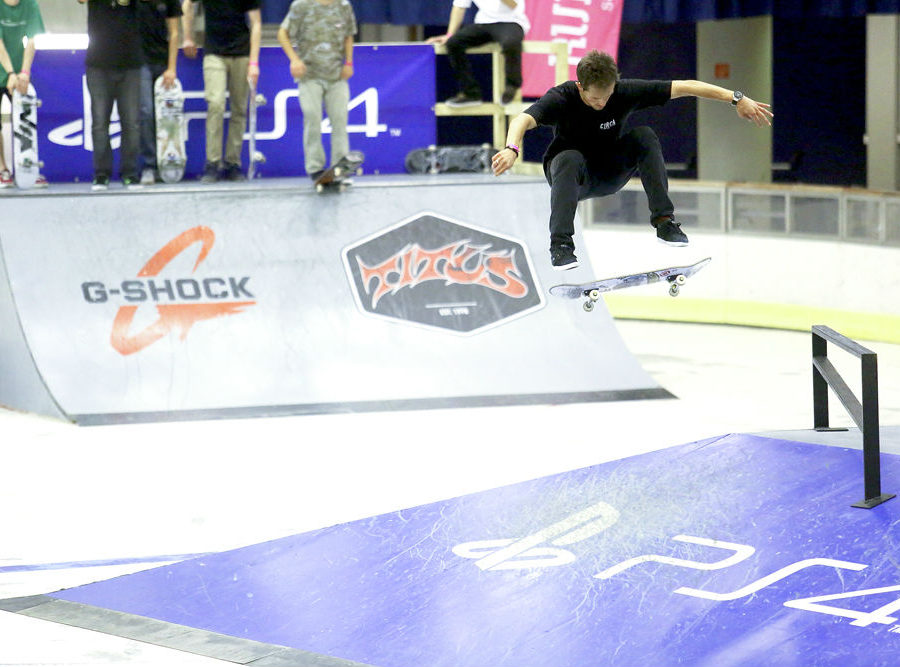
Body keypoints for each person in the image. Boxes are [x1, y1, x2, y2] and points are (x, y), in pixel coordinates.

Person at [491, 50, 774, 270]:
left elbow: (685, 86)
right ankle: (561, 246)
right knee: (569, 157)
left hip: (608, 172)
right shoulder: (562, 97)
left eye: (606, 97)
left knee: (644, 136)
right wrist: (511, 149)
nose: (602, 104)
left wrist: (737, 98)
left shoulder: (624, 91)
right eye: (595, 99)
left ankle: (664, 222)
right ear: (580, 87)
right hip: (572, 178)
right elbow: (522, 119)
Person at [277, 0, 356, 184]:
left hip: (336, 75)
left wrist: (349, 62)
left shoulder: (344, 5)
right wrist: (294, 59)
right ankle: (315, 168)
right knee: (312, 119)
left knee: (340, 121)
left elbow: (348, 35)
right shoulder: (301, 5)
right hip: (309, 75)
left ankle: (340, 169)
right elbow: (282, 32)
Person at [182, 0, 261, 182]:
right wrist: (188, 36)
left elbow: (256, 23)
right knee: (215, 104)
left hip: (242, 53)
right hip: (214, 53)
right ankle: (213, 163)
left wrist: (254, 62)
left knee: (239, 109)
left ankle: (233, 163)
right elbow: (187, 4)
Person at [77, 0, 143, 191]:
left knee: (131, 123)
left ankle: (130, 173)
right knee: (99, 122)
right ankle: (101, 174)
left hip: (131, 64)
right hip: (98, 64)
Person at [428, 0, 529, 107]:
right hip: (483, 23)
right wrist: (449, 34)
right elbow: (459, 7)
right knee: (453, 43)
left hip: (511, 21)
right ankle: (471, 93)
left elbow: (513, 5)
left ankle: (512, 86)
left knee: (510, 43)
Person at [0, 0, 46, 187]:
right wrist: (10, 73)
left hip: (19, 72)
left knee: (25, 120)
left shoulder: (30, 4)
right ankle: (2, 169)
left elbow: (32, 40)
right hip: (7, 68)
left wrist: (24, 73)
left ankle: (29, 168)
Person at [137, 0, 182, 185]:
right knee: (146, 111)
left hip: (163, 62)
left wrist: (172, 67)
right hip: (139, 62)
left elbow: (174, 32)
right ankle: (149, 165)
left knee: (166, 115)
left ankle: (168, 162)